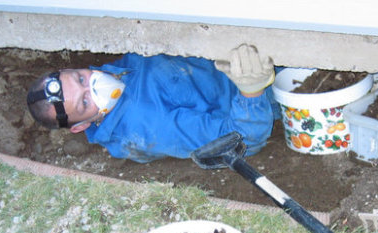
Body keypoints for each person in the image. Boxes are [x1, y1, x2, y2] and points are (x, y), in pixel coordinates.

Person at [26, 44, 276, 163]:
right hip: (263, 87)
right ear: (80, 126)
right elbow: (241, 142)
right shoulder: (151, 126)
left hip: (229, 59)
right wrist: (251, 89)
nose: (93, 86)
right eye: (84, 102)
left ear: (72, 67)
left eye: (80, 78)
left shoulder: (116, 72)